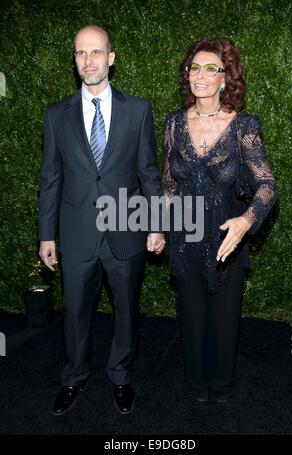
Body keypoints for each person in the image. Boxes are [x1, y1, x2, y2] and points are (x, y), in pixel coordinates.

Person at [39, 24, 164, 416]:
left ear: (111, 57)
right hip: (75, 235)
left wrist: (157, 223)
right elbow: (50, 179)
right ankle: (74, 377)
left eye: (96, 52)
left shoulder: (138, 110)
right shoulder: (56, 114)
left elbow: (149, 173)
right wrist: (46, 235)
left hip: (127, 231)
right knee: (74, 312)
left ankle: (121, 376)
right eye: (80, 53)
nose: (88, 60)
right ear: (74, 60)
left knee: (126, 311)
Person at [163, 38, 276, 403]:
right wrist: (158, 227)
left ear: (225, 78)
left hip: (228, 238)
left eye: (211, 68)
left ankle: (221, 385)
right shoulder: (173, 124)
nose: (201, 75)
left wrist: (246, 221)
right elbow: (167, 183)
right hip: (184, 237)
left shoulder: (243, 127)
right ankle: (196, 384)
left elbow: (266, 185)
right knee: (192, 319)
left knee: (224, 323)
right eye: (195, 67)